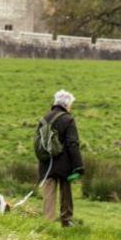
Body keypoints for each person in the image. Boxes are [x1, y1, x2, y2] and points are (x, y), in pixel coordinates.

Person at [37, 89, 83, 227]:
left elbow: (38, 143)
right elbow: (72, 144)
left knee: (48, 194)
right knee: (66, 193)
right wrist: (78, 166)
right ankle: (66, 220)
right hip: (64, 164)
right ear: (67, 104)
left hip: (46, 163)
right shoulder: (68, 119)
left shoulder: (44, 118)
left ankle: (47, 222)